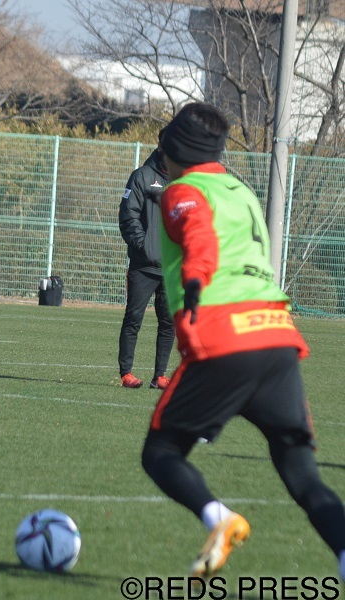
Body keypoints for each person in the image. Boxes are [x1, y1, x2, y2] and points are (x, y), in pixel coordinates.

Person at [140, 102, 345, 580]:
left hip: (225, 340)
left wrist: (194, 279)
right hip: (276, 339)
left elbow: (199, 239)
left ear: (175, 149)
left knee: (161, 453)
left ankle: (220, 518)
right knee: (301, 472)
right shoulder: (241, 191)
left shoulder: (182, 191)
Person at [118, 128, 175, 389]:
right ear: (161, 145)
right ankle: (126, 373)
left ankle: (160, 376)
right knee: (133, 318)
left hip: (172, 267)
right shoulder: (141, 176)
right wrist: (145, 246)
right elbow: (128, 216)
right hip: (143, 266)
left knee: (169, 323)